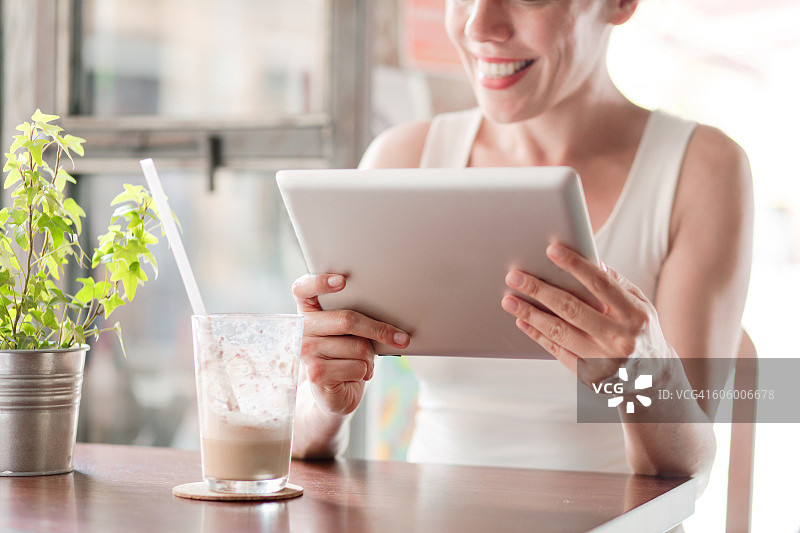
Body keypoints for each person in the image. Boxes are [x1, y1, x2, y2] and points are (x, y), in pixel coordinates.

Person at [290, 0, 752, 489]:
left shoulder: (701, 169)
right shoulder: (402, 160)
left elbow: (688, 463)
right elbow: (302, 442)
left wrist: (644, 376)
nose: (479, 25)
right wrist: (323, 396)